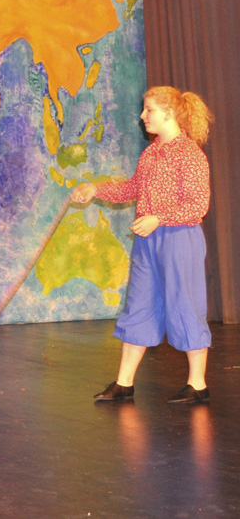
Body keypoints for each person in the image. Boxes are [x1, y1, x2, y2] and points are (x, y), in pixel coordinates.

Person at [71, 86, 213, 404]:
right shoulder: (150, 152)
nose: (142, 115)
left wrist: (158, 218)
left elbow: (197, 206)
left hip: (179, 238)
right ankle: (124, 383)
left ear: (169, 113)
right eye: (144, 109)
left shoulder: (189, 154)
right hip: (149, 240)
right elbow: (133, 188)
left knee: (185, 305)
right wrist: (95, 189)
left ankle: (198, 384)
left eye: (149, 110)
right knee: (139, 305)